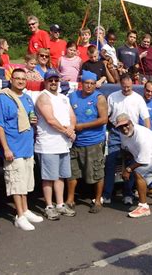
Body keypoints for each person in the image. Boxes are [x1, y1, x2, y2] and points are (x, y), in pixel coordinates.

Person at [0, 68, 44, 230]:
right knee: (16, 183)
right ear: (11, 79)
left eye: (23, 79)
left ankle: (25, 209)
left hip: (27, 147)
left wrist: (34, 121)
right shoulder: (4, 98)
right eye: (17, 78)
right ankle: (19, 216)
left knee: (25, 182)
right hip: (13, 148)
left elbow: (30, 118)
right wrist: (6, 148)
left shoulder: (28, 99)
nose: (21, 81)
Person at [34, 69, 77, 220]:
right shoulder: (43, 97)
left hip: (63, 144)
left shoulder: (64, 98)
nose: (53, 82)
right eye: (50, 80)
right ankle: (49, 206)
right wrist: (67, 132)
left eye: (55, 80)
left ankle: (60, 204)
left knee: (60, 176)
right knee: (48, 177)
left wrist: (71, 129)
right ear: (45, 82)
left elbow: (72, 116)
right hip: (48, 144)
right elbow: (50, 120)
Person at [103, 74, 150, 205]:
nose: (126, 89)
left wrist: (146, 135)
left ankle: (128, 194)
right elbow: (106, 116)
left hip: (131, 133)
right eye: (124, 87)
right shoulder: (112, 97)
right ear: (120, 84)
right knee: (110, 163)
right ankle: (107, 194)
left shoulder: (138, 98)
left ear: (132, 85)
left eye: (129, 87)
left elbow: (146, 119)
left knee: (130, 164)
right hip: (116, 132)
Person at [66, 71, 108, 213]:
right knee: (72, 172)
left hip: (93, 142)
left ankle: (97, 201)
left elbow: (103, 119)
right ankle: (70, 199)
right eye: (86, 83)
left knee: (97, 172)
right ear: (81, 83)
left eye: (92, 83)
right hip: (75, 142)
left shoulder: (99, 98)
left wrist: (82, 126)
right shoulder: (72, 96)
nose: (89, 86)